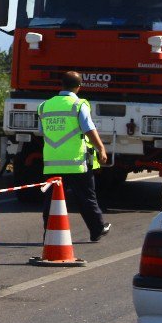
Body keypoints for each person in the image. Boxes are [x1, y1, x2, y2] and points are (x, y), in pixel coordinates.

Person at [39, 71, 111, 242]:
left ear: (61, 85)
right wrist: (101, 148)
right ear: (79, 87)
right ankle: (97, 229)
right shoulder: (78, 105)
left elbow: (42, 132)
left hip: (52, 163)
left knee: (51, 200)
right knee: (86, 197)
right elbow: (88, 129)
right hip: (76, 162)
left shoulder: (44, 106)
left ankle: (48, 234)